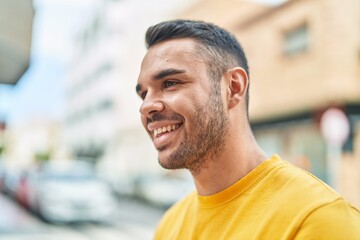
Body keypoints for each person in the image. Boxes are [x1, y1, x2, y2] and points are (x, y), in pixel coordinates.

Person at [136, 19, 360, 239]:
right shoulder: (170, 224)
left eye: (170, 83)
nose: (146, 106)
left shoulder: (319, 218)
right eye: (144, 94)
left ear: (233, 87)